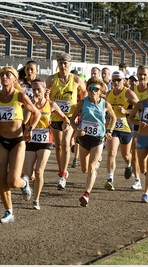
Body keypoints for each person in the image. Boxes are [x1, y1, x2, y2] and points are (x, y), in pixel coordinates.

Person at [0, 66, 41, 223]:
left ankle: (24, 183)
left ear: (15, 79)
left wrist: (29, 128)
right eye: (2, 75)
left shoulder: (20, 96)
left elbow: (37, 113)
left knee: (13, 181)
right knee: (1, 179)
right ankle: (9, 212)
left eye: (8, 75)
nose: (4, 77)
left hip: (17, 141)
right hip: (1, 140)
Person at [21, 78, 70, 210]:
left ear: (44, 90)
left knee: (39, 171)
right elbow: (25, 121)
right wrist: (31, 105)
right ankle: (27, 187)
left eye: (39, 89)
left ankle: (36, 199)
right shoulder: (29, 103)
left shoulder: (51, 105)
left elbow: (64, 118)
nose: (36, 92)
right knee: (27, 173)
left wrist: (66, 124)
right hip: (30, 140)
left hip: (45, 141)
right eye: (34, 90)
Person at [70, 77, 116, 207]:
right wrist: (77, 130)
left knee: (92, 166)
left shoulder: (105, 104)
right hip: (84, 138)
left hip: (98, 138)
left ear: (101, 91)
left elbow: (114, 118)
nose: (93, 91)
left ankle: (86, 194)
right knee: (84, 169)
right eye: (90, 89)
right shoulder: (82, 103)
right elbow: (72, 120)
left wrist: (110, 131)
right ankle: (95, 166)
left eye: (96, 89)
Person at [46, 53, 87, 190]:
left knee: (65, 144)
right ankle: (61, 170)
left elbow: (85, 92)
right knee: (58, 146)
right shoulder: (51, 79)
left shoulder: (75, 80)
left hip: (70, 117)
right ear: (57, 64)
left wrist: (80, 106)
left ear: (70, 65)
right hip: (56, 116)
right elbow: (45, 94)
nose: (63, 66)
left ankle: (62, 176)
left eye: (65, 63)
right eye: (61, 63)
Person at [104, 71, 139, 190]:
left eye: (118, 80)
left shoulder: (129, 93)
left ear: (124, 80)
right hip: (113, 128)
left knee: (126, 155)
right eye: (113, 80)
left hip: (126, 128)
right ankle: (110, 178)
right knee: (112, 152)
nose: (116, 82)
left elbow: (140, 108)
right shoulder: (108, 94)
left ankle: (129, 164)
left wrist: (126, 111)